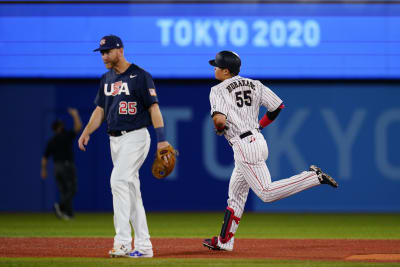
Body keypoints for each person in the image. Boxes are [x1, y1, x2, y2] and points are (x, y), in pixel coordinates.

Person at [203, 51, 338, 251]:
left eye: (217, 66)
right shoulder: (255, 84)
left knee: (266, 193)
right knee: (236, 194)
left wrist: (219, 126)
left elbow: (220, 120)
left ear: (225, 71)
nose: (214, 68)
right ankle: (224, 242)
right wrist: (260, 125)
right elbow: (277, 106)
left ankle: (312, 177)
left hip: (244, 147)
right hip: (257, 139)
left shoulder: (218, 90)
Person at [78, 35, 170, 258]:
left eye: (107, 51)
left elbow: (154, 108)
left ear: (120, 50)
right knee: (131, 191)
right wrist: (87, 131)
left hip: (136, 136)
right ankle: (144, 246)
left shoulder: (140, 76)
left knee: (117, 181)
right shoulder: (106, 78)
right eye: (101, 52)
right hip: (115, 140)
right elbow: (100, 110)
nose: (104, 56)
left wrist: (162, 139)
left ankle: (121, 243)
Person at [41, 108, 82, 220]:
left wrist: (44, 171)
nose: (63, 126)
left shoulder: (51, 140)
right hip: (66, 165)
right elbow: (78, 127)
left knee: (64, 191)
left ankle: (68, 214)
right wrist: (75, 115)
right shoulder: (65, 136)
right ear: (59, 127)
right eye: (61, 125)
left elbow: (44, 158)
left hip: (56, 168)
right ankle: (61, 206)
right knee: (72, 189)